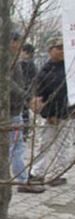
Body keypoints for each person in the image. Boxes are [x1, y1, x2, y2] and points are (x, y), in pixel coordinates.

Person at [29, 35, 73, 187]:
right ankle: (37, 173)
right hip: (49, 115)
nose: (61, 52)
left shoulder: (69, 69)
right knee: (44, 144)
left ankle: (60, 173)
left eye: (63, 48)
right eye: (58, 48)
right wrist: (49, 114)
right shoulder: (44, 71)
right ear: (50, 50)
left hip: (67, 114)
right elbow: (39, 96)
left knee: (64, 145)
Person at [9, 33, 45, 193]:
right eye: (19, 43)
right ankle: (22, 181)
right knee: (14, 148)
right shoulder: (6, 60)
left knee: (14, 147)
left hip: (15, 108)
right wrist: (29, 98)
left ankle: (20, 178)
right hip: (9, 111)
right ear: (13, 42)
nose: (20, 47)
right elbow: (8, 83)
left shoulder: (13, 60)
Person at [20, 43, 37, 132]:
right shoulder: (32, 64)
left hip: (24, 90)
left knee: (23, 111)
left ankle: (24, 131)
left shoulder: (24, 63)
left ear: (26, 52)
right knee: (25, 111)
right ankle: (25, 130)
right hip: (29, 90)